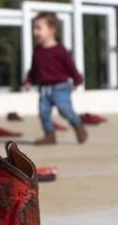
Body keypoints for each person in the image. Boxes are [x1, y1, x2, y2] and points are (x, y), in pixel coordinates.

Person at [24, 12, 87, 146]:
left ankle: (78, 124)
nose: (35, 32)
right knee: (43, 113)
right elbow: (34, 68)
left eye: (38, 28)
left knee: (65, 110)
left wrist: (77, 80)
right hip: (44, 89)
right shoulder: (37, 50)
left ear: (52, 30)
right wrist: (29, 80)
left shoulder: (60, 50)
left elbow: (71, 67)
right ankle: (49, 135)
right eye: (34, 28)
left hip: (61, 88)